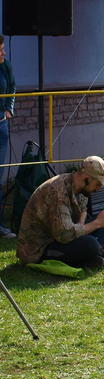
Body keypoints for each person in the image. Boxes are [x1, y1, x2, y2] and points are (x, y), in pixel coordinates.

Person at [16, 156, 104, 269]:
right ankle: (101, 251)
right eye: (98, 184)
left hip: (66, 233)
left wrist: (84, 225)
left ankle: (99, 253)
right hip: (42, 247)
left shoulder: (79, 186)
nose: (98, 189)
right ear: (86, 178)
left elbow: (83, 209)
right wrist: (97, 223)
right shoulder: (57, 192)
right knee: (90, 244)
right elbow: (65, 235)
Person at [0, 34, 16, 239]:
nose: (3, 53)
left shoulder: (5, 65)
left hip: (1, 125)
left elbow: (12, 85)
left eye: (3, 48)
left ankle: (0, 225)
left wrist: (9, 108)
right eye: (0, 50)